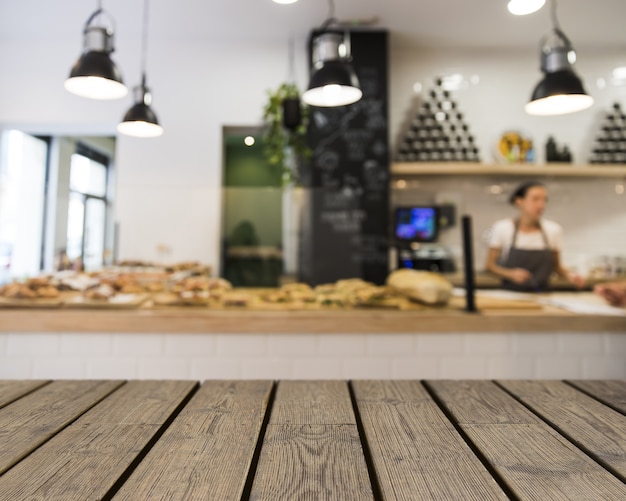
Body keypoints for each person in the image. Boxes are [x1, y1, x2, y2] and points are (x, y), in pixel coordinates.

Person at [485, 180, 584, 292]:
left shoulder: (553, 230)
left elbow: (557, 267)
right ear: (519, 201)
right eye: (535, 199)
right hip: (510, 296)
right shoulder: (502, 228)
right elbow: (489, 266)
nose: (541, 205)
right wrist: (510, 274)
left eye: (544, 200)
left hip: (543, 295)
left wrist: (570, 275)